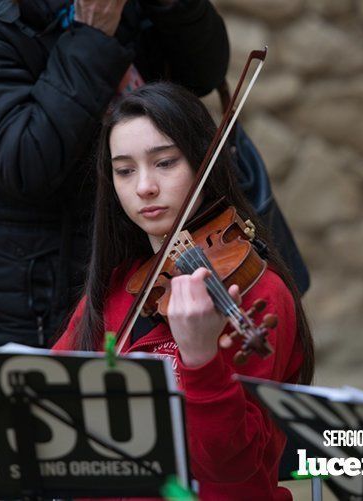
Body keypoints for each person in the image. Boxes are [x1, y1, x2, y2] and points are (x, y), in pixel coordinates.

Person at [53, 82, 315, 499]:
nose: (144, 187)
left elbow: (233, 471)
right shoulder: (119, 283)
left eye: (165, 163)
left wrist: (201, 359)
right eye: (125, 170)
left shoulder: (259, 292)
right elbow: (49, 392)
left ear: (203, 163)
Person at [0, 0, 234, 348]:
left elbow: (204, 74)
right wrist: (93, 36)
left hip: (148, 266)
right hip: (35, 297)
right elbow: (27, 162)